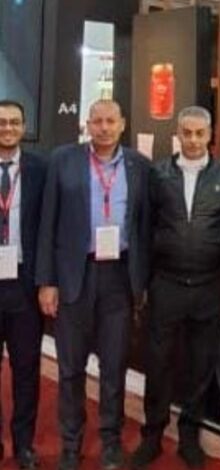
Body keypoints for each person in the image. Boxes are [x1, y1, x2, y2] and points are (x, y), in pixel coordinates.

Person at [36, 99, 151, 470]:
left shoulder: (138, 165)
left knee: (114, 367)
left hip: (119, 277)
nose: (103, 128)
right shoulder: (63, 160)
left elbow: (144, 226)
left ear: (122, 124)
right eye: (97, 121)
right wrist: (47, 281)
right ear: (87, 124)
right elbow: (47, 222)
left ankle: (111, 442)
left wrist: (142, 281)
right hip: (75, 276)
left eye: (110, 121)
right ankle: (70, 444)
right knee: (70, 369)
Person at [130, 106, 220, 469]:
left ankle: (190, 435)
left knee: (200, 364)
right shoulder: (157, 174)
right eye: (187, 133)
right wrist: (142, 282)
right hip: (166, 284)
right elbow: (143, 228)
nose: (193, 140)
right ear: (177, 134)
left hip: (211, 285)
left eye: (199, 133)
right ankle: (152, 434)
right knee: (157, 361)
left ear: (209, 134)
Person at [0, 100, 47, 469]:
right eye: (1, 123)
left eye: (14, 122)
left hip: (24, 284)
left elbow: (48, 228)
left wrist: (47, 281)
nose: (8, 129)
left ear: (24, 127)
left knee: (26, 369)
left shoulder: (40, 169)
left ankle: (24, 445)